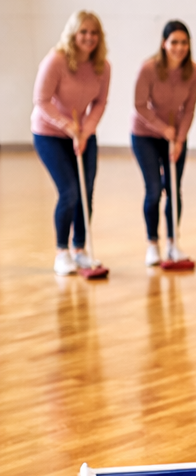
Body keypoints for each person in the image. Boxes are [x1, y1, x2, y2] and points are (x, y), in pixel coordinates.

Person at [31, 10, 111, 276]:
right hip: (49, 133)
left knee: (86, 191)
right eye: (83, 32)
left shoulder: (103, 66)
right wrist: (67, 126)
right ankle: (61, 252)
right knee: (69, 191)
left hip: (82, 132)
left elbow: (100, 102)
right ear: (73, 34)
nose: (89, 38)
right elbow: (41, 101)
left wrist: (86, 131)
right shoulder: (56, 60)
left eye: (94, 33)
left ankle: (80, 250)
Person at [131, 20, 196, 266]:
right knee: (153, 190)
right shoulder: (149, 69)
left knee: (173, 189)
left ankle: (173, 243)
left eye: (184, 42)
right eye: (174, 42)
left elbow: (190, 109)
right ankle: (153, 244)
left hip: (175, 137)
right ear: (164, 44)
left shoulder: (194, 71)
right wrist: (163, 129)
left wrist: (179, 139)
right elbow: (140, 105)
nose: (179, 47)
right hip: (145, 135)